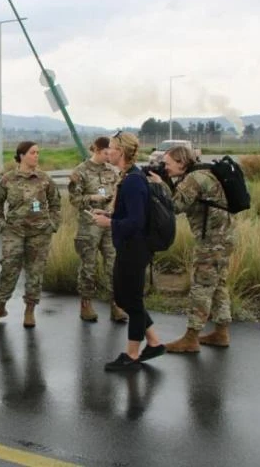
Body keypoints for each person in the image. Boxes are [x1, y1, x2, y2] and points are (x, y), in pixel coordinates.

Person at [148, 145, 234, 353]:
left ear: (181, 162)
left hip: (212, 242)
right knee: (218, 284)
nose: (165, 168)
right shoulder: (204, 174)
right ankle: (221, 332)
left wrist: (160, 185)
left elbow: (174, 206)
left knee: (201, 287)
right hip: (225, 238)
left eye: (168, 164)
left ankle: (191, 337)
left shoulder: (194, 179)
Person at [91, 132, 165, 371]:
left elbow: (136, 221)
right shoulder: (130, 177)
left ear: (121, 152)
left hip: (135, 248)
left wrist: (109, 224)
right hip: (128, 247)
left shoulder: (133, 181)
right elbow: (129, 215)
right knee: (124, 298)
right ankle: (153, 341)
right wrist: (111, 216)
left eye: (111, 148)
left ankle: (132, 355)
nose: (107, 151)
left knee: (131, 300)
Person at [0, 141, 60, 328]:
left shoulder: (44, 179)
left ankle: (30, 310)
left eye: (38, 153)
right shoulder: (8, 179)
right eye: (33, 153)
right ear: (22, 155)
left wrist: (52, 224)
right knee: (9, 268)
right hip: (14, 232)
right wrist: (1, 225)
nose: (36, 156)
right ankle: (0, 306)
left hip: (39, 233)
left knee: (35, 271)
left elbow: (55, 204)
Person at [68, 136, 127, 324]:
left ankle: (115, 304)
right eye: (105, 153)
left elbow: (117, 194)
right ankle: (86, 303)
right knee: (89, 266)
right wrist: (92, 197)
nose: (108, 156)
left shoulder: (112, 171)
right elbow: (74, 200)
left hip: (110, 223)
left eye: (110, 153)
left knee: (113, 265)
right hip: (90, 224)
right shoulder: (80, 172)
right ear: (96, 150)